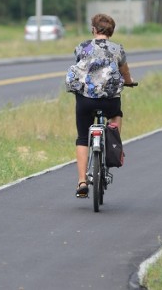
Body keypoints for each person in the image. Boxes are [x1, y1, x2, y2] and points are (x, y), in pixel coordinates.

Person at [65, 13, 134, 198]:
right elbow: (124, 70)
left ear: (94, 29)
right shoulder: (117, 49)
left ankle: (81, 181)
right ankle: (113, 145)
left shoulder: (81, 47)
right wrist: (129, 81)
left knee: (82, 137)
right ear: (111, 31)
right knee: (116, 114)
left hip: (85, 101)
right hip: (110, 101)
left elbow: (79, 68)